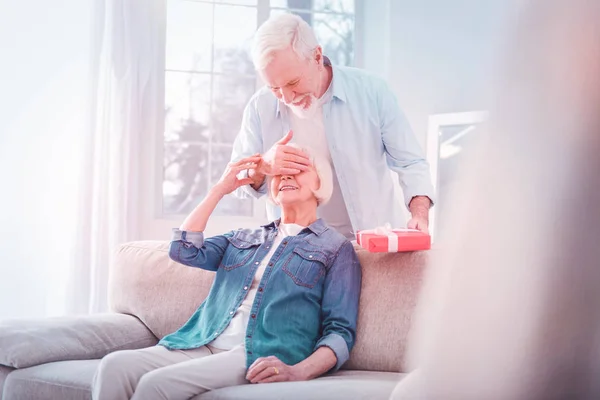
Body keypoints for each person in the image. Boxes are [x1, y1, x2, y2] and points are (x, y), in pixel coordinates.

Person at [91, 146, 362, 400]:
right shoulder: (244, 237)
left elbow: (339, 332)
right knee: (114, 366)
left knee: (155, 384)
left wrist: (299, 371)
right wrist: (220, 190)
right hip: (200, 341)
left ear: (320, 182)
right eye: (279, 172)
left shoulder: (335, 248)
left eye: (299, 169)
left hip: (255, 354)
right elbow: (183, 250)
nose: (287, 175)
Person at [230, 13, 436, 239]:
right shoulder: (259, 107)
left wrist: (419, 215)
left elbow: (411, 162)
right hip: (299, 253)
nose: (286, 98)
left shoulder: (372, 92)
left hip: (373, 245)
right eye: (274, 88)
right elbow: (238, 181)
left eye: (293, 83)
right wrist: (263, 167)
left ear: (317, 57)